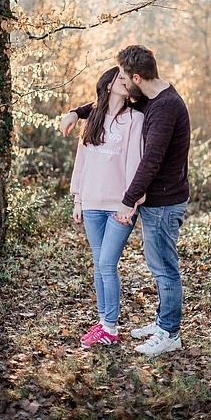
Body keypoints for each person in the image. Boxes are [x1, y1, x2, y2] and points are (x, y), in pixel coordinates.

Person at [61, 45, 191, 355]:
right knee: (151, 263)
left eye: (122, 74)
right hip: (144, 201)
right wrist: (77, 112)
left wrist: (129, 200)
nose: (118, 79)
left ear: (135, 77)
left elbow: (149, 160)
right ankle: (162, 323)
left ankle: (169, 332)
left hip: (163, 200)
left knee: (163, 267)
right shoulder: (150, 98)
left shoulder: (161, 108)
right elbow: (101, 105)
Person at [70, 66, 144, 348]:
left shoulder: (135, 119)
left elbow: (135, 162)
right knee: (99, 265)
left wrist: (131, 203)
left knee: (106, 263)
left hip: (119, 205)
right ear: (109, 83)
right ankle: (104, 323)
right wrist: (78, 197)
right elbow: (82, 160)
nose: (124, 82)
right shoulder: (93, 117)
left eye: (128, 79)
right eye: (120, 78)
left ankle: (110, 329)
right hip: (90, 201)